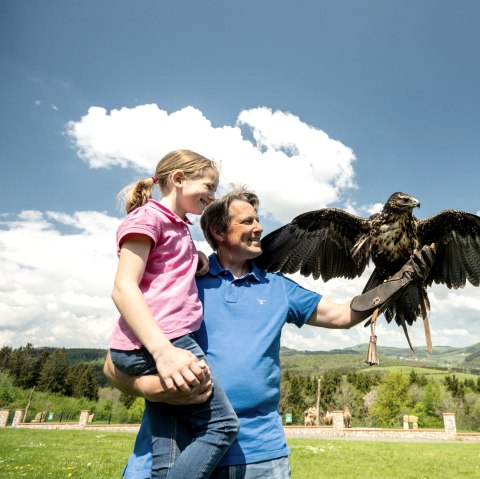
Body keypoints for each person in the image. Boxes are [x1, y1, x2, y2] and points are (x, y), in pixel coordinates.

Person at [104, 187, 435, 479]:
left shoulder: (277, 288)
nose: (259, 228)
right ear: (218, 231)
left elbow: (343, 314)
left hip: (261, 456)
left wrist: (401, 279)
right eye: (247, 222)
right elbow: (113, 365)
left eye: (257, 220)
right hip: (178, 451)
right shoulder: (181, 283)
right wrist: (156, 388)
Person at [108, 149, 239, 479]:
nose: (212, 196)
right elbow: (124, 287)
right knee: (221, 427)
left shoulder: (176, 226)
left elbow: (162, 267)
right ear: (179, 179)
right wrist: (164, 352)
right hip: (164, 342)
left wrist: (193, 255)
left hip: (157, 343)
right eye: (208, 186)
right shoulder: (146, 219)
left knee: (170, 452)